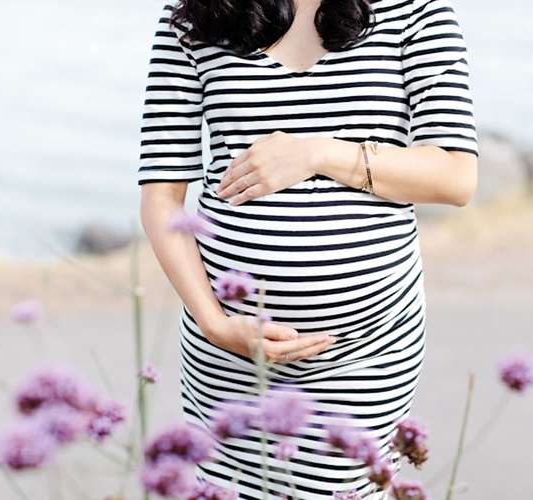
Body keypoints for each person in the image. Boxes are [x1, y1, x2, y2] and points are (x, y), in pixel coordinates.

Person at [138, 0, 479, 498]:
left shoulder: (415, 11)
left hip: (365, 350)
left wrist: (318, 152)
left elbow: (455, 175)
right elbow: (161, 196)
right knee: (229, 489)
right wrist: (214, 323)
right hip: (230, 349)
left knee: (343, 488)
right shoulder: (196, 15)